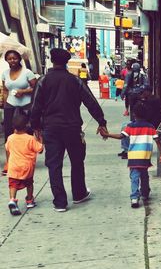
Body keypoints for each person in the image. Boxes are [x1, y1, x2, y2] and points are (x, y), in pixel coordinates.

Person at [30, 48, 108, 212]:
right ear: (66, 62)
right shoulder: (75, 80)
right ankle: (79, 194)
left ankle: (60, 202)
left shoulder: (43, 81)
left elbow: (35, 106)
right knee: (77, 161)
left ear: (52, 61)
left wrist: (35, 126)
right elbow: (91, 102)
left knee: (54, 164)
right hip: (72, 127)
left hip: (50, 128)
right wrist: (101, 121)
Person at [100, 102, 161, 208]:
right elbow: (157, 141)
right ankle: (145, 193)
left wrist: (107, 134)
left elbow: (121, 136)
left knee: (134, 177)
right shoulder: (151, 127)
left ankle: (134, 198)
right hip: (144, 157)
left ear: (134, 114)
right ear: (146, 114)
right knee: (144, 176)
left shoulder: (130, 127)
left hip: (134, 157)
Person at [1, 50, 37, 175]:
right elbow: (5, 90)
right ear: (6, 60)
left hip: (26, 106)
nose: (12, 61)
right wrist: (5, 103)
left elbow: (36, 88)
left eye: (14, 58)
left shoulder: (27, 73)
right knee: (9, 133)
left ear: (19, 59)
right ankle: (9, 162)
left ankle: (27, 159)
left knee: (27, 133)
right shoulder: (5, 73)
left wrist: (24, 91)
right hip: (10, 105)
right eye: (9, 59)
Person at [5, 113, 43, 216]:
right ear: (27, 125)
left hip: (14, 166)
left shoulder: (10, 138)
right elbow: (40, 149)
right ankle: (30, 200)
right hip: (27, 167)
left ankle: (12, 199)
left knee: (13, 184)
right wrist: (40, 138)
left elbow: (7, 149)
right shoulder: (30, 139)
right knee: (29, 183)